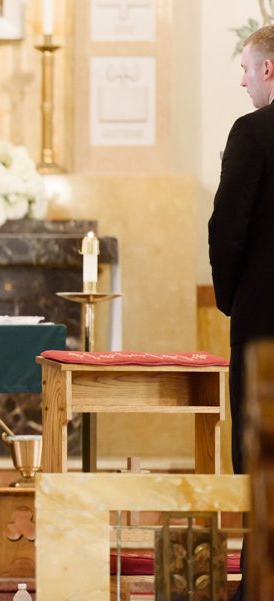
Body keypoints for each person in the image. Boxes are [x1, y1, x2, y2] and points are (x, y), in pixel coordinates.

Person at [209, 24, 274, 601]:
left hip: (264, 326)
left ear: (269, 71)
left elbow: (227, 229)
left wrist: (231, 298)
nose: (244, 79)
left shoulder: (253, 133)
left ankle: (259, 581)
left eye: (248, 70)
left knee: (261, 456)